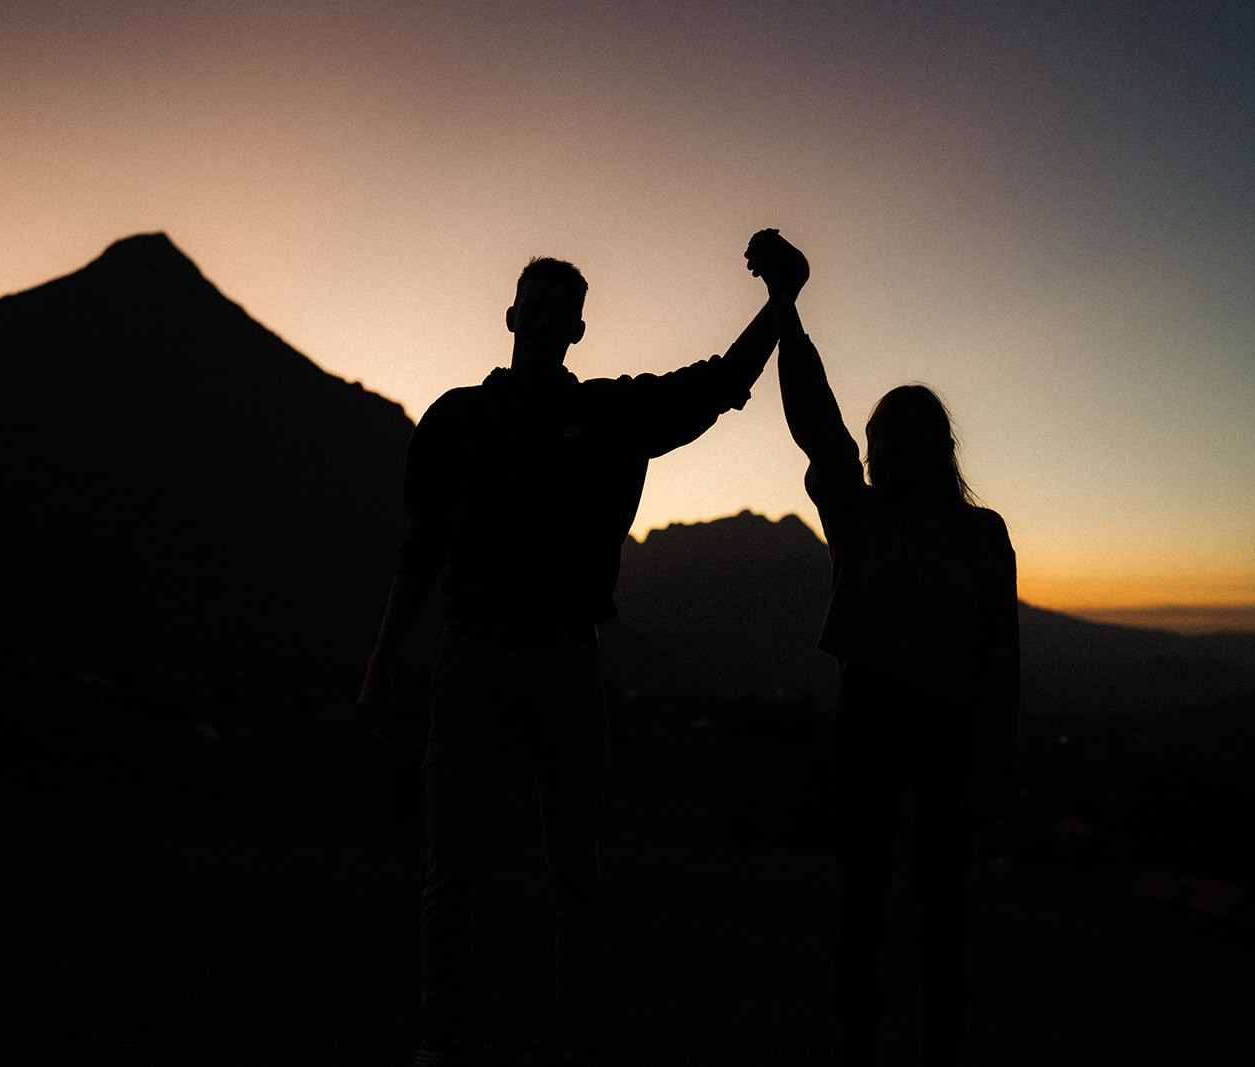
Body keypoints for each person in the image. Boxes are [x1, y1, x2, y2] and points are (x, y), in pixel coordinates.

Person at [358, 237, 808, 1067]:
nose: (544, 321)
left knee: (574, 874)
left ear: (576, 330)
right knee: (451, 867)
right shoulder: (457, 419)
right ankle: (441, 1038)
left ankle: (573, 1041)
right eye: (536, 306)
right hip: (477, 652)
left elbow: (716, 385)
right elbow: (421, 549)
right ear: (513, 317)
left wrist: (782, 304)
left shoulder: (607, 415)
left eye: (559, 312)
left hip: (564, 660)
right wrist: (383, 656)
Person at [746, 229, 1019, 1067]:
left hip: (949, 730)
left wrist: (987, 762)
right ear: (873, 450)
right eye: (887, 436)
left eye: (916, 435)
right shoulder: (857, 517)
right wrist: (785, 304)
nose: (898, 446)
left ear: (943, 448)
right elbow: (814, 416)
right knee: (861, 907)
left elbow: (1000, 661)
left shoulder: (982, 534)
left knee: (943, 915)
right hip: (869, 721)